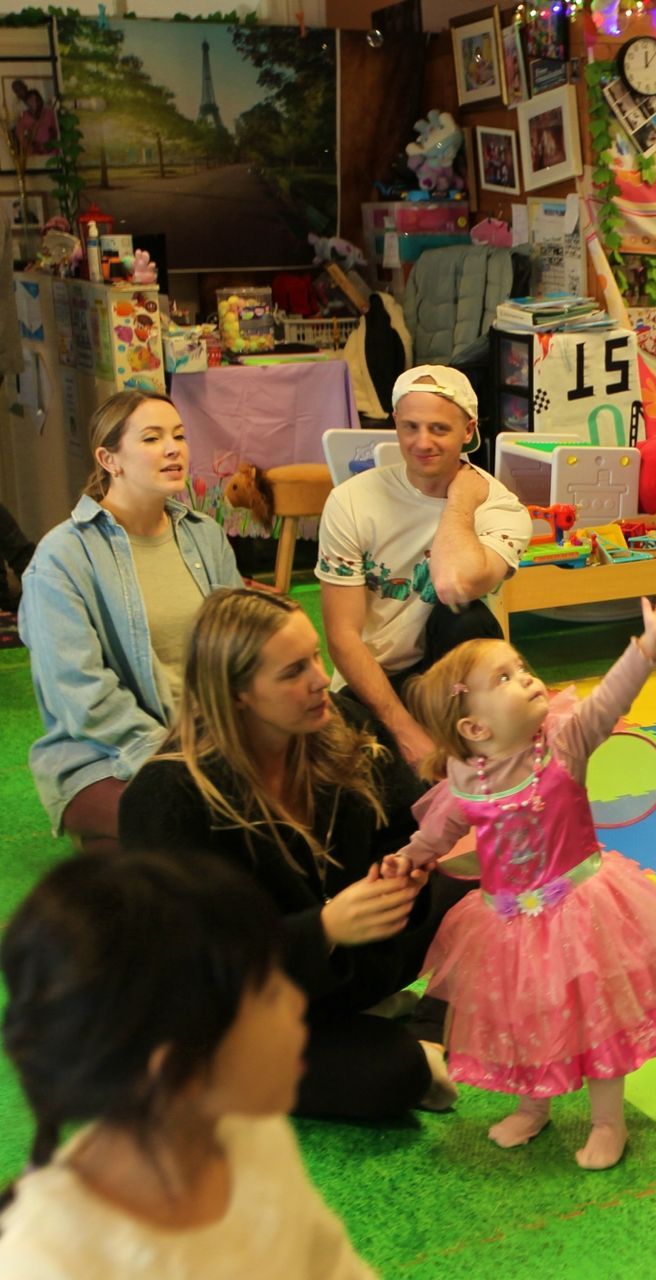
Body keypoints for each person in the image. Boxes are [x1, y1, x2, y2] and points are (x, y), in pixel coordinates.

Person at [120, 587, 455, 1123]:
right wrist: (322, 929)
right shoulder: (166, 801)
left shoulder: (341, 724)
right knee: (393, 1075)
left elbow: (401, 829)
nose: (321, 679)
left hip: (346, 966)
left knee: (496, 892)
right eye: (293, 671)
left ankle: (393, 1017)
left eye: (317, 656)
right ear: (236, 695)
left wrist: (404, 871)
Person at [379, 585, 656, 1171]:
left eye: (522, 669)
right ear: (474, 729)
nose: (526, 678)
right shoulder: (466, 780)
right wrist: (409, 859)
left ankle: (607, 1121)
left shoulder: (566, 744)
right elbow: (436, 834)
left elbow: (610, 700)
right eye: (505, 679)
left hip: (584, 908)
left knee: (597, 1022)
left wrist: (648, 646)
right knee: (526, 1019)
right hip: (507, 923)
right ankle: (533, 1106)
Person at [0, 852, 374, 1278]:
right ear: (179, 1067)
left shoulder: (255, 1135)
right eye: (269, 993)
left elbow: (331, 1266)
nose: (296, 1002)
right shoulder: (48, 1262)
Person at [21, 389, 242, 854]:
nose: (173, 448)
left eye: (179, 436)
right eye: (151, 438)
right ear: (109, 459)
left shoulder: (206, 537)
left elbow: (243, 647)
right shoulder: (61, 557)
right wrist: (174, 762)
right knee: (192, 824)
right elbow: (81, 694)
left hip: (213, 742)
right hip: (104, 756)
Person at [317, 365, 532, 767]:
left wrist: (460, 501)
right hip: (371, 682)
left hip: (451, 679)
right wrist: (405, 731)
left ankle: (482, 753)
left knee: (464, 618)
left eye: (438, 429)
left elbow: (454, 583)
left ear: (468, 431)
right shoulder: (351, 501)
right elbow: (342, 636)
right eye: (410, 427)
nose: (422, 442)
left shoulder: (498, 506)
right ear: (395, 423)